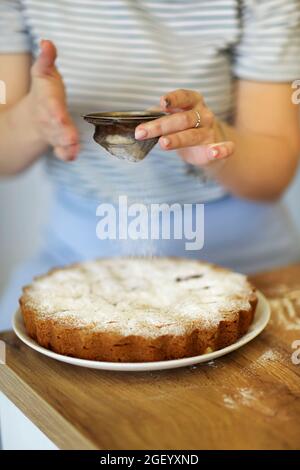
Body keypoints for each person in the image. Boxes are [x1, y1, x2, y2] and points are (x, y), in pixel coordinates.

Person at [0, 0, 300, 330]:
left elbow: (271, 175)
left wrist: (211, 140)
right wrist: (33, 119)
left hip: (247, 264)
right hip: (76, 265)